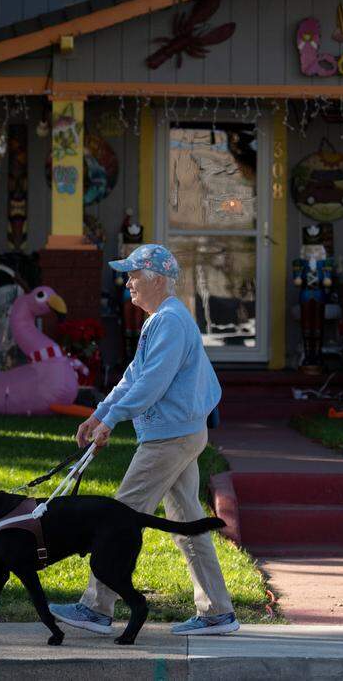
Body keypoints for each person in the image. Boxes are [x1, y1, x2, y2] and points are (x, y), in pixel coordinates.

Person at [49, 244, 239, 636]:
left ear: (155, 279)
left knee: (117, 518)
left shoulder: (169, 321)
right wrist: (101, 413)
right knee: (187, 521)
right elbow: (135, 375)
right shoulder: (162, 320)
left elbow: (152, 383)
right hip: (179, 433)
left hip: (171, 438)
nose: (128, 283)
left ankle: (97, 608)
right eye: (129, 275)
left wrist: (112, 419)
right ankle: (218, 612)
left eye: (134, 275)